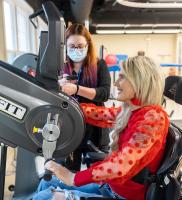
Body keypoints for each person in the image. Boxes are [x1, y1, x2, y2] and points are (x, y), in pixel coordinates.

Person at [33, 56, 169, 200]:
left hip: (124, 196)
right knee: (46, 183)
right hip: (110, 187)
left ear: (140, 82)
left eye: (122, 77)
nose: (116, 83)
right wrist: (65, 105)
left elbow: (121, 164)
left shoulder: (153, 118)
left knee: (45, 196)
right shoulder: (132, 110)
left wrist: (73, 177)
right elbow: (99, 114)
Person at [60, 23, 111, 171]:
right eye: (72, 46)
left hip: (96, 128)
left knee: (97, 173)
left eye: (80, 46)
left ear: (88, 45)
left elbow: (104, 93)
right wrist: (59, 85)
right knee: (69, 172)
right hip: (70, 126)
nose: (76, 50)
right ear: (65, 46)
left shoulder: (99, 64)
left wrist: (76, 89)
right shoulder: (61, 67)